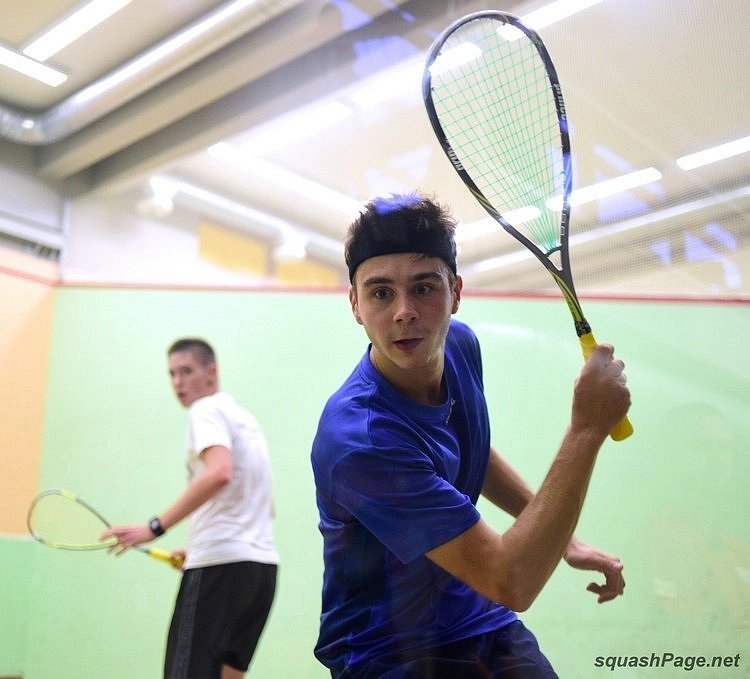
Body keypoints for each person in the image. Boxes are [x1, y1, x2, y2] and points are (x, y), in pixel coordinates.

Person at [310, 192, 631, 678]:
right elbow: (511, 580)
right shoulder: (360, 440)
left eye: (424, 288)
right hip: (389, 651)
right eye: (381, 293)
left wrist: (565, 541)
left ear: (456, 293)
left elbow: (466, 449)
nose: (404, 312)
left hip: (478, 616)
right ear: (355, 304)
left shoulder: (459, 345)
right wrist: (586, 430)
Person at [102, 338, 279, 679]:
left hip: (219, 565)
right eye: (172, 374)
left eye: (186, 371)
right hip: (260, 572)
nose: (178, 382)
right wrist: (197, 547)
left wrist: (154, 527)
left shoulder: (206, 410)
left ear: (211, 372)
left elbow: (219, 472)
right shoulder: (244, 419)